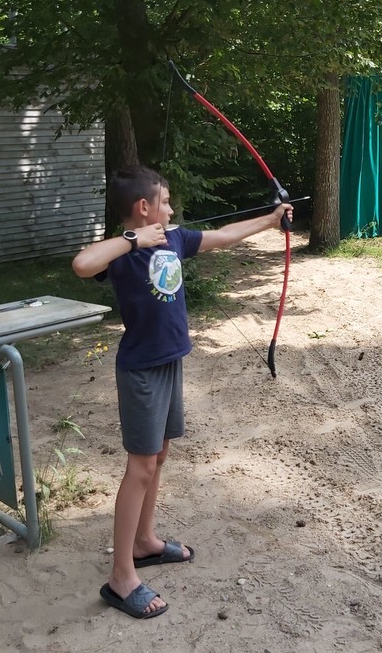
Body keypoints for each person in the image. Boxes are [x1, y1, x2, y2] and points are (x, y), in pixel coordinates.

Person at [72, 166, 292, 619]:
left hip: (170, 362)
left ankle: (144, 541)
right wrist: (134, 240)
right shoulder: (122, 252)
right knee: (140, 467)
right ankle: (121, 577)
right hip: (141, 372)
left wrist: (271, 221)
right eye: (166, 202)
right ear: (144, 207)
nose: (171, 210)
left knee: (159, 456)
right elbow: (82, 264)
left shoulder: (174, 239)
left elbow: (224, 236)